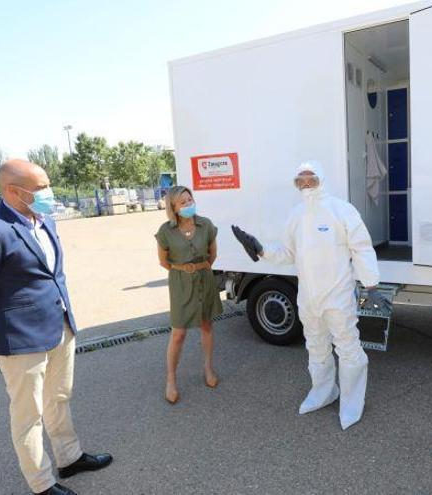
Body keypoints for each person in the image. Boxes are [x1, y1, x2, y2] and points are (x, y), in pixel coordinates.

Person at [0, 160, 112, 495]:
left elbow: (53, 276)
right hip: (20, 342)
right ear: (13, 191)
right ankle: (42, 484)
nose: (48, 193)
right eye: (40, 188)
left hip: (60, 325)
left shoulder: (45, 221)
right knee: (29, 415)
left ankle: (70, 458)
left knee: (60, 397)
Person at [232, 160, 390, 430]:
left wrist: (371, 284)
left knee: (348, 348)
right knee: (316, 347)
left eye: (311, 178)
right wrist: (261, 250)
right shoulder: (295, 215)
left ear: (321, 179)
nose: (306, 184)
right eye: (300, 180)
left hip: (338, 295)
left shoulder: (342, 210)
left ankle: (351, 405)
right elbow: (288, 254)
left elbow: (361, 248)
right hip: (308, 296)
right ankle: (323, 392)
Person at [155, 186, 223, 405]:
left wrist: (200, 269)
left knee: (206, 326)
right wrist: (185, 271)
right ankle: (171, 379)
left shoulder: (206, 225)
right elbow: (164, 262)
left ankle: (208, 368)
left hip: (205, 279)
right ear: (173, 207)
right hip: (181, 283)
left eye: (189, 199)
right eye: (183, 202)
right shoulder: (166, 231)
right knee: (178, 334)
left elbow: (213, 254)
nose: (188, 204)